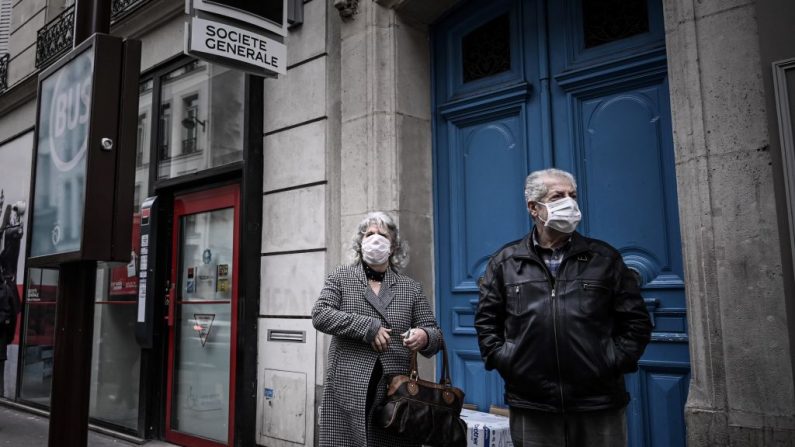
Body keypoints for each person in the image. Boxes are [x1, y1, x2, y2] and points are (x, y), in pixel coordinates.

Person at [475, 168, 652, 447]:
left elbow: (637, 321)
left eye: (573, 195)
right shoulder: (506, 261)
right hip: (533, 403)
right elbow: (487, 321)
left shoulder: (604, 257)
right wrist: (507, 360)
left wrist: (613, 360)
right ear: (534, 208)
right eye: (558, 196)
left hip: (598, 402)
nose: (569, 203)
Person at [312, 211, 443, 446]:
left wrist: (424, 336)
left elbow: (434, 333)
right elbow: (320, 315)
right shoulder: (341, 278)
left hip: (395, 398)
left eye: (382, 234)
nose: (375, 239)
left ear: (392, 247)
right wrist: (367, 327)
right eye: (369, 234)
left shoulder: (410, 288)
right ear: (360, 243)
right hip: (347, 391)